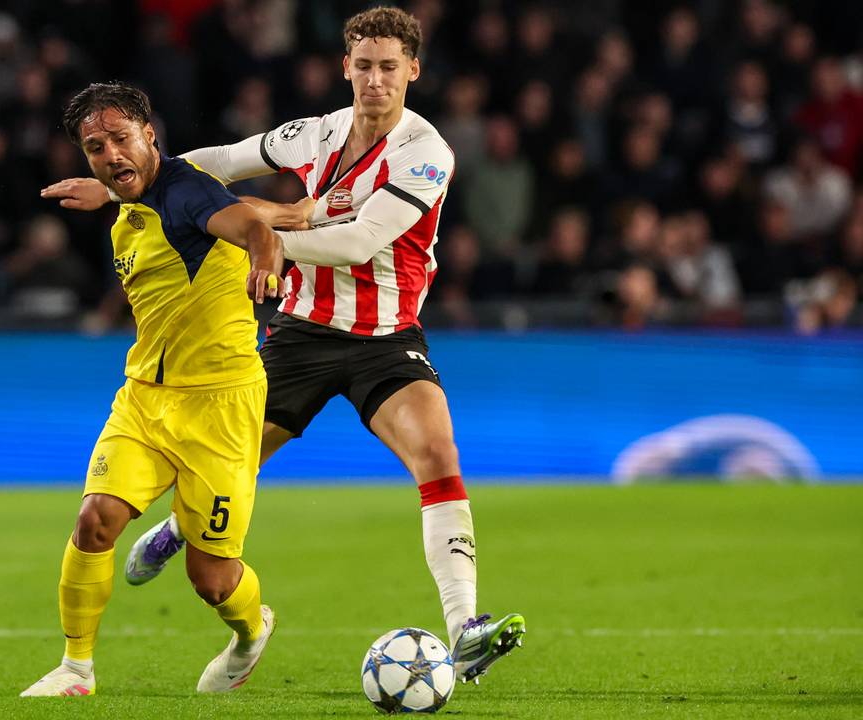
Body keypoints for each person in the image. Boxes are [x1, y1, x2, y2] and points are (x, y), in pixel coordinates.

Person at [42, 6, 525, 684]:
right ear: (345, 67)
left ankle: (465, 627)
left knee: (438, 455)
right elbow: (214, 163)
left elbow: (359, 241)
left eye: (389, 67)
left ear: (413, 71)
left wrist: (244, 232)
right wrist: (125, 187)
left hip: (385, 337)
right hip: (299, 330)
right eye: (364, 66)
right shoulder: (314, 133)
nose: (376, 80)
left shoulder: (425, 153)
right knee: (234, 461)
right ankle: (182, 527)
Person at [20, 82, 286, 697]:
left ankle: (251, 633)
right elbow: (137, 191)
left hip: (220, 406)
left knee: (211, 579)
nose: (110, 154)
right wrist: (109, 190)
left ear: (149, 134)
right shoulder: (129, 204)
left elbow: (254, 226)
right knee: (95, 519)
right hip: (145, 398)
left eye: (120, 139)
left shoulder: (189, 191)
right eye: (95, 148)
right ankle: (75, 669)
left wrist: (264, 261)